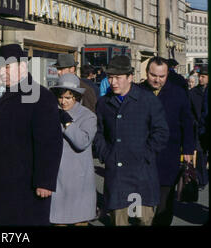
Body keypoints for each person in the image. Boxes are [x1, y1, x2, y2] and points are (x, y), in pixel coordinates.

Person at [0, 44, 63, 226]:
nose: (3, 72)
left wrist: (45, 181)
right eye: (0, 67)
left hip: (24, 184)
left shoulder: (41, 96)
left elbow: (50, 142)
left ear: (22, 67)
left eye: (8, 67)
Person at [93, 55, 169, 226]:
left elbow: (161, 132)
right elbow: (98, 133)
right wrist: (106, 154)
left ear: (130, 77)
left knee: (144, 220)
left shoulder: (148, 100)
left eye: (118, 78)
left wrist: (146, 155)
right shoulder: (104, 103)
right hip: (117, 175)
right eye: (110, 77)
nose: (113, 82)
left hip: (142, 174)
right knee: (118, 221)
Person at [139, 56, 194, 226]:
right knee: (139, 202)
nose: (157, 80)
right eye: (153, 75)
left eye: (161, 76)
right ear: (147, 72)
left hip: (168, 155)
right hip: (141, 155)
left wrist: (188, 150)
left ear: (167, 75)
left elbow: (188, 123)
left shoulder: (178, 93)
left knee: (164, 202)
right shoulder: (137, 91)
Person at [49, 73, 97, 226]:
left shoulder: (88, 116)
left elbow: (82, 142)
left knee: (79, 221)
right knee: (58, 221)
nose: (63, 102)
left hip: (79, 181)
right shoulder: (51, 113)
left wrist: (68, 124)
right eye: (61, 97)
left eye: (68, 98)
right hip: (57, 178)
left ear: (76, 97)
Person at [189, 65, 209, 189]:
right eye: (199, 76)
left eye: (203, 77)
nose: (200, 79)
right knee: (201, 155)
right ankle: (202, 180)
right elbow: (189, 112)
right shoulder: (192, 93)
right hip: (199, 129)